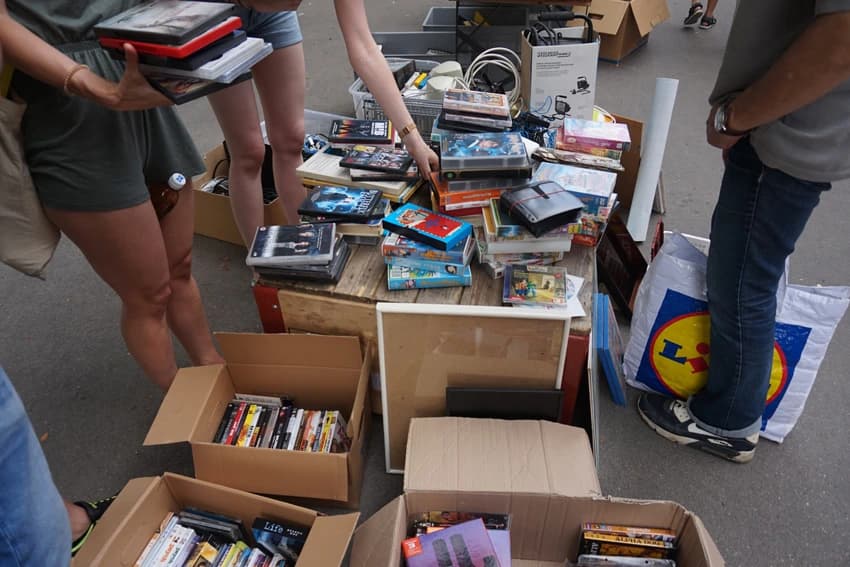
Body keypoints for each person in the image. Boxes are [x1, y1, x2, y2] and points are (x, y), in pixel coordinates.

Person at [638, 1, 850, 463]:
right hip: (782, 128)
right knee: (748, 275)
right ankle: (735, 403)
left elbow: (841, 38)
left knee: (741, 280)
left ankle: (727, 420)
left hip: (783, 134)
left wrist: (737, 119)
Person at [2, 0, 225, 391]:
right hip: (67, 107)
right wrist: (93, 85)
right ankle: (186, 409)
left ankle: (216, 375)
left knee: (180, 266)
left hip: (142, 83)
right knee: (149, 293)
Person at [206, 0, 439, 247]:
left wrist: (411, 137)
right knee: (248, 152)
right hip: (218, 14)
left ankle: (305, 250)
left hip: (273, 17)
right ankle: (259, 267)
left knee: (291, 139)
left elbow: (364, 47)